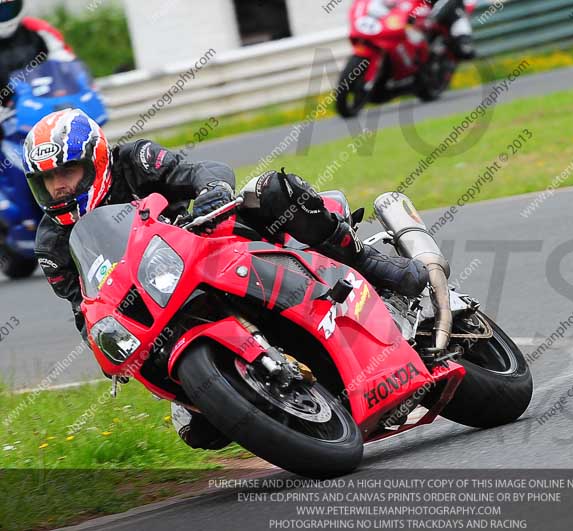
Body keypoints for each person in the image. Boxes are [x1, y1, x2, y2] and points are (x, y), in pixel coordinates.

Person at [24, 108, 429, 450]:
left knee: (270, 190)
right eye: (47, 179)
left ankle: (370, 264)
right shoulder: (51, 245)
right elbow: (83, 305)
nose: (58, 186)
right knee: (197, 430)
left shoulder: (136, 160)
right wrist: (101, 339)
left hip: (212, 241)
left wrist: (213, 190)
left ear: (94, 162)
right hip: (162, 303)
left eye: (68, 172)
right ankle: (275, 399)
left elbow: (200, 171)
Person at [0, 0, 74, 140]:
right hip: (6, 118)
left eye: (9, 8)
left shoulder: (39, 29)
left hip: (44, 108)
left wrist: (78, 88)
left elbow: (66, 61)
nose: (4, 14)